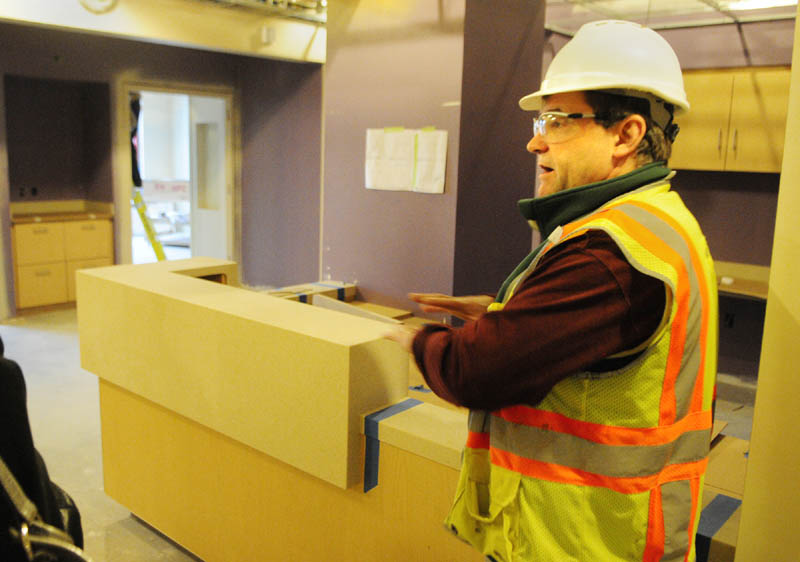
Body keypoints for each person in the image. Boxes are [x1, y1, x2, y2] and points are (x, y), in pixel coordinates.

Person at [387, 20, 718, 562]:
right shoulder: (655, 221)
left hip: (585, 539)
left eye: (559, 121)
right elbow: (594, 337)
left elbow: (476, 372)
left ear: (627, 135)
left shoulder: (611, 252)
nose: (534, 139)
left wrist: (416, 342)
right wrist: (506, 313)